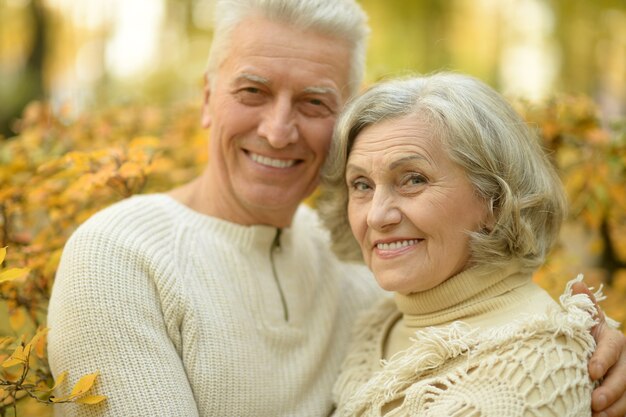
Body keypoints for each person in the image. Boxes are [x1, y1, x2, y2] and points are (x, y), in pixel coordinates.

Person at [46, 0, 626, 416]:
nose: (277, 131)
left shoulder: (365, 259)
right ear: (206, 99)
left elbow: (486, 316)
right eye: (252, 92)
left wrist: (586, 348)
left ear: (347, 119)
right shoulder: (119, 256)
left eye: (314, 102)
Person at [319, 72, 624, 416]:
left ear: (495, 199)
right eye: (361, 184)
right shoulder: (378, 323)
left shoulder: (536, 366)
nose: (376, 216)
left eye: (413, 179)